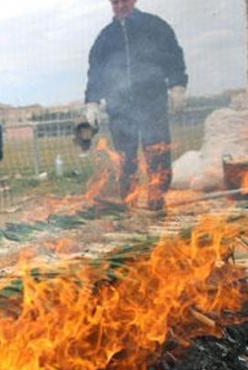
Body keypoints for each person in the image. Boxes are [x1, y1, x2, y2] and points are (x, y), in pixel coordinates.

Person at [84, 0, 187, 211]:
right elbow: (96, 73)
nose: (120, 6)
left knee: (157, 153)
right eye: (115, 2)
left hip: (152, 104)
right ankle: (129, 204)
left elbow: (174, 57)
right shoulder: (105, 38)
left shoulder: (155, 26)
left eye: (124, 1)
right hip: (120, 109)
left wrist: (178, 86)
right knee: (125, 159)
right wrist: (92, 102)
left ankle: (157, 201)